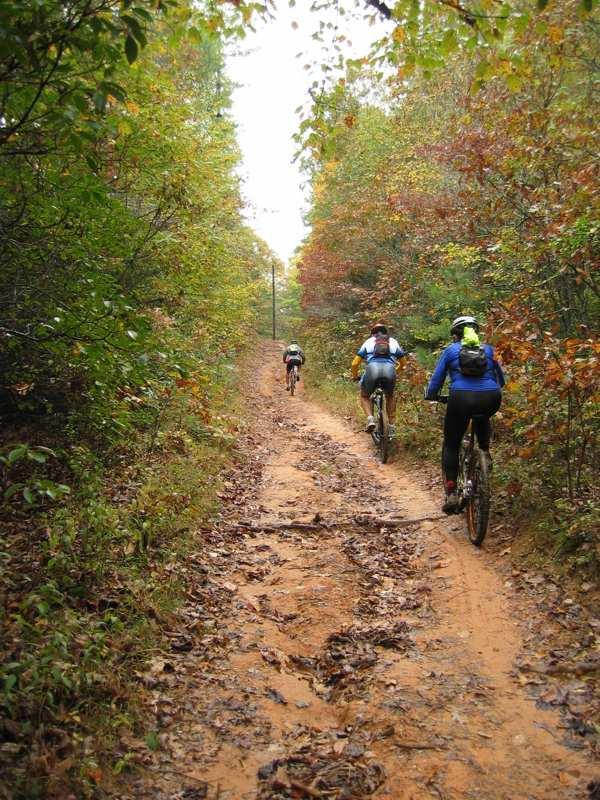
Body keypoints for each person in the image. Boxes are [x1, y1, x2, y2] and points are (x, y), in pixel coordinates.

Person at [425, 315, 505, 514]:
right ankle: (484, 456)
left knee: (451, 444)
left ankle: (451, 492)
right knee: (482, 416)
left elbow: (437, 379)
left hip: (460, 398)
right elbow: (501, 380)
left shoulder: (451, 350)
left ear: (455, 335)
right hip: (491, 396)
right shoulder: (488, 350)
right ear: (476, 332)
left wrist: (432, 394)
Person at [351, 323, 406, 436]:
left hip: (372, 370)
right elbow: (403, 363)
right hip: (390, 370)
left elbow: (355, 363)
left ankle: (370, 419)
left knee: (365, 395)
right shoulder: (393, 342)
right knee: (390, 396)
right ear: (386, 333)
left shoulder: (369, 341)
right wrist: (397, 370)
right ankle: (391, 427)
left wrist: (355, 376)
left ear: (372, 333)